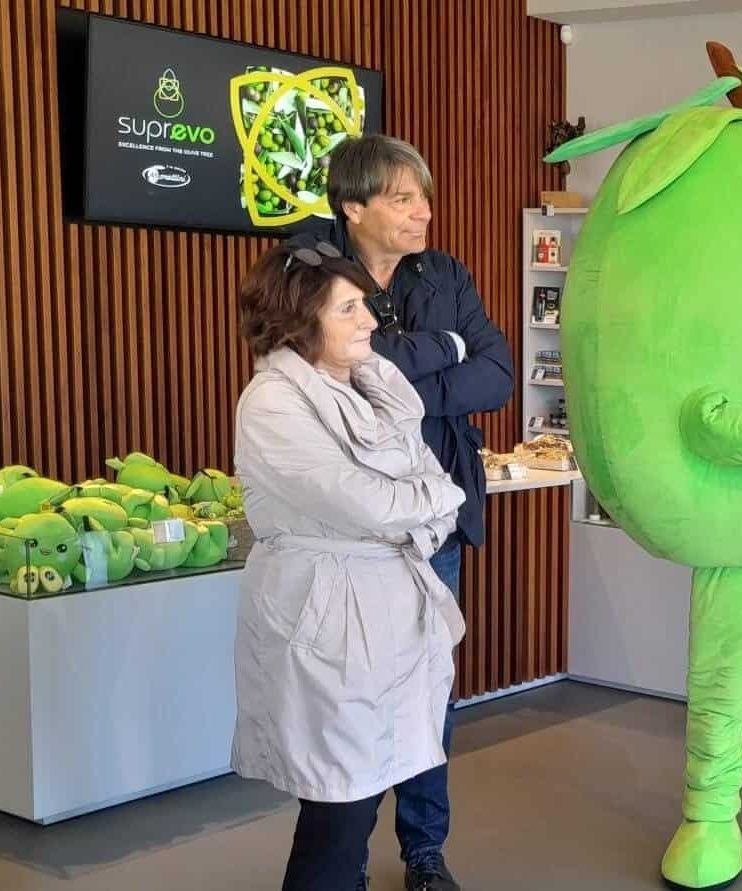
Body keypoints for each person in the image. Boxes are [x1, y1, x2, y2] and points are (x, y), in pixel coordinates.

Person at [289, 133, 514, 891]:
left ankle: (424, 853)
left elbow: (498, 373)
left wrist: (414, 380)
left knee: (427, 692)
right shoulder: (309, 270)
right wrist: (442, 350)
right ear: (353, 206)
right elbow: (340, 371)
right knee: (347, 696)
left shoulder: (443, 273)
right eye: (403, 198)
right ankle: (339, 865)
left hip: (433, 518)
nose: (424, 211)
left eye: (423, 195)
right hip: (349, 527)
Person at [231, 241, 467, 891]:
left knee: (360, 792)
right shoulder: (273, 404)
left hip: (387, 610)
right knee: (339, 803)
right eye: (349, 308)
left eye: (365, 303)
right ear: (298, 319)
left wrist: (426, 500)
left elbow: (423, 483)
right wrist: (430, 500)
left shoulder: (374, 387)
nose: (371, 319)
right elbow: (366, 499)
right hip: (330, 617)